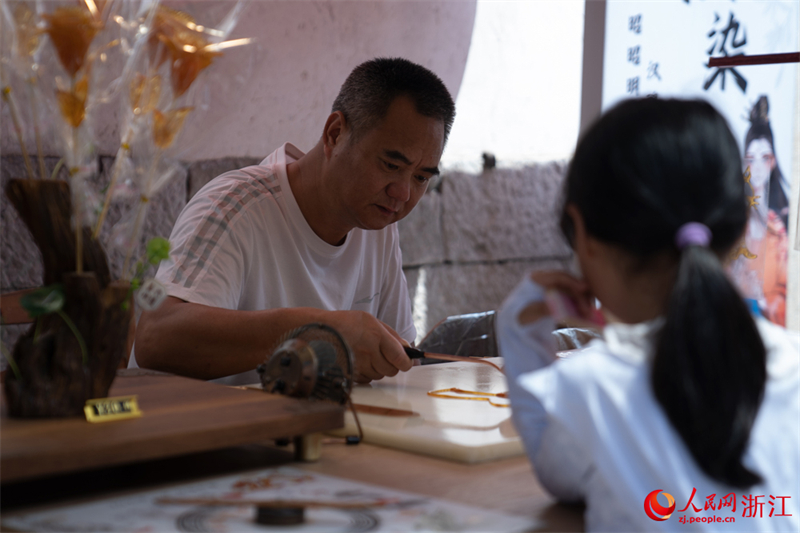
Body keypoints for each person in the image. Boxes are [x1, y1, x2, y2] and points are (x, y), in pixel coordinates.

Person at [497, 98, 799, 531]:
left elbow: (560, 478)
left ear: (582, 232)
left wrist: (518, 327)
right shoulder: (793, 363)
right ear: (735, 234)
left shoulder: (593, 388)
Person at [133, 58, 455, 385]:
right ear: (335, 133)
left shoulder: (377, 227)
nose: (402, 193)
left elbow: (399, 363)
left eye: (420, 177)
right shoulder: (237, 206)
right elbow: (156, 339)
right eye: (389, 165)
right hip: (212, 431)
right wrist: (317, 332)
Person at [729, 95, 790, 325]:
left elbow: (789, 292)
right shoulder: (731, 218)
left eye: (764, 157)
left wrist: (761, 299)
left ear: (772, 161)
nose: (757, 166)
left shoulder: (782, 223)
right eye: (750, 158)